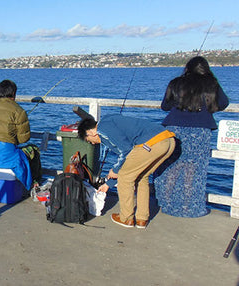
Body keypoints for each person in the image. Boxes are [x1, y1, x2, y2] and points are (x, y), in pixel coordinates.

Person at [154, 56, 229, 217]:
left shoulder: (176, 82)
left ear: (187, 67)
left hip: (174, 130)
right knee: (194, 169)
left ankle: (166, 203)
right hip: (200, 131)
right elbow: (223, 103)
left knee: (170, 166)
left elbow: (164, 106)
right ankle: (190, 205)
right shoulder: (211, 84)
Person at [78, 114, 175, 229]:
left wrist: (115, 170)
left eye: (88, 140)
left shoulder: (102, 129)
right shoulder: (109, 122)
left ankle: (126, 218)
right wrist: (108, 184)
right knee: (141, 177)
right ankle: (142, 219)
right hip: (168, 141)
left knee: (124, 177)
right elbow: (128, 161)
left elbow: (126, 150)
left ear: (90, 133)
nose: (93, 143)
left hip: (151, 143)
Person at [0, 79, 41, 191]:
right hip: (8, 157)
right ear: (14, 93)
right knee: (33, 150)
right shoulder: (19, 111)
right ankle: (34, 184)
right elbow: (24, 139)